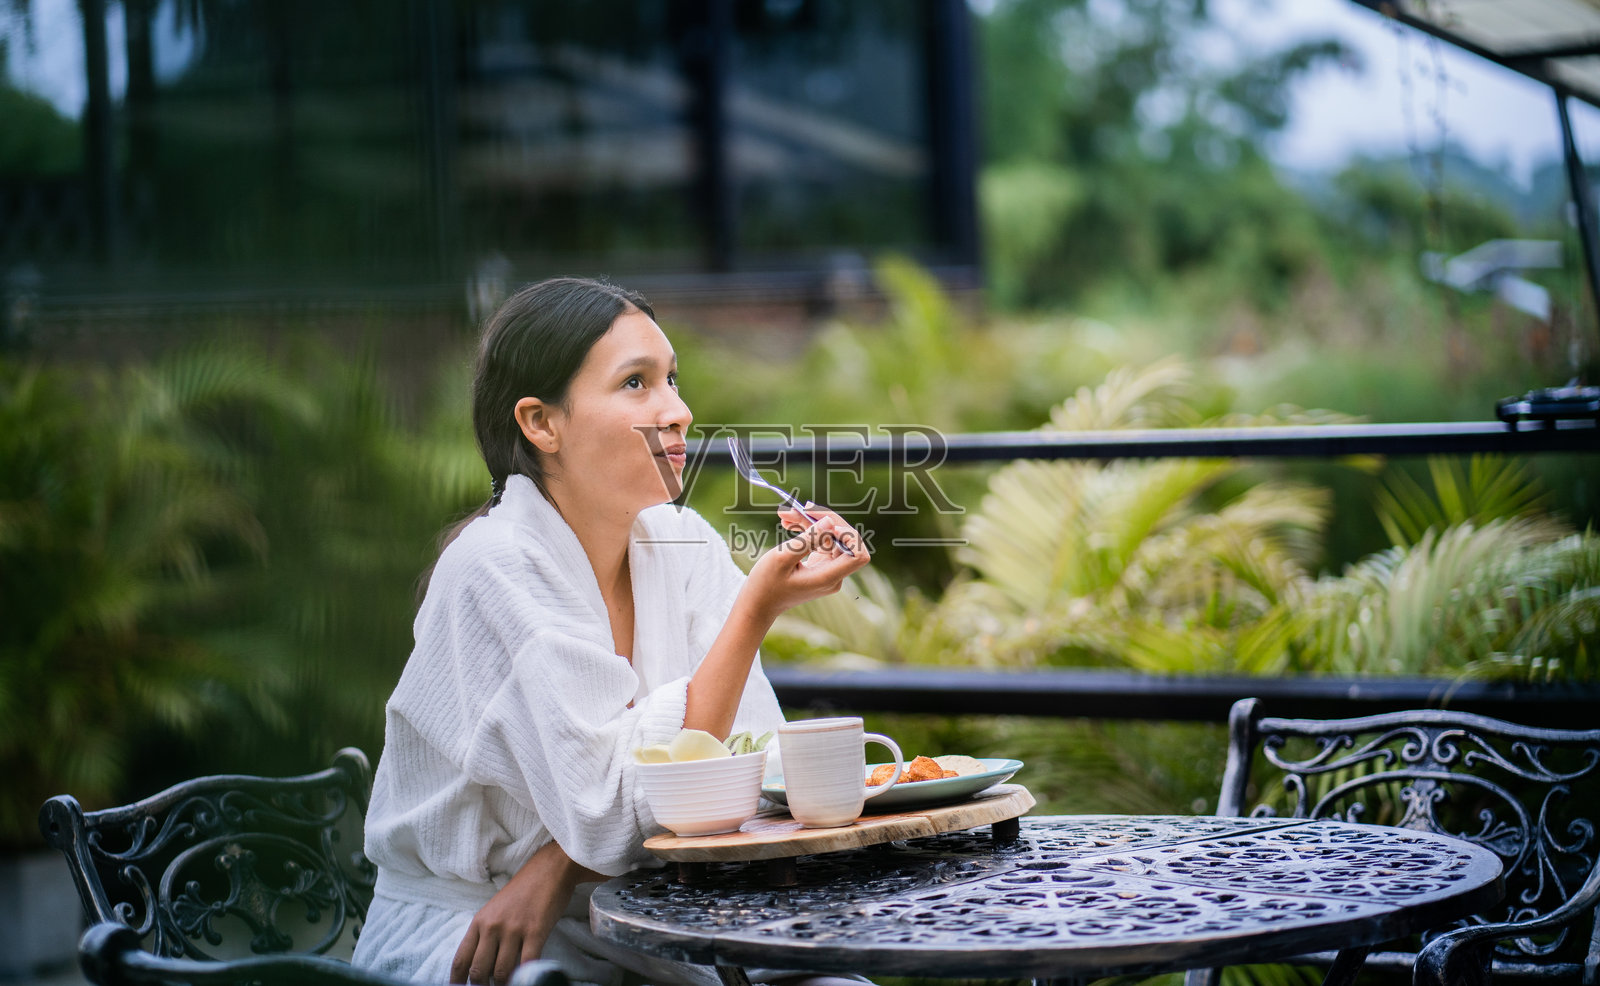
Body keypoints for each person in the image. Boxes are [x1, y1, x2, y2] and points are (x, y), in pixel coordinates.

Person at [352, 278, 871, 986]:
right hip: (489, 935)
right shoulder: (497, 566)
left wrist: (557, 866)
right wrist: (756, 611)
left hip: (651, 911)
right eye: (636, 383)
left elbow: (740, 777)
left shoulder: (680, 541)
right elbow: (612, 816)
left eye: (673, 380)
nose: (679, 410)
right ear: (541, 423)